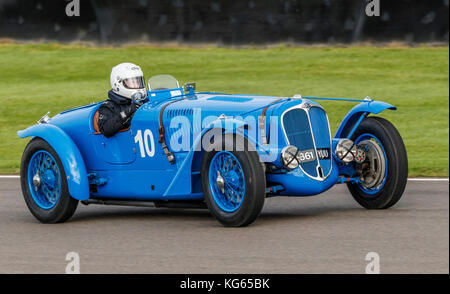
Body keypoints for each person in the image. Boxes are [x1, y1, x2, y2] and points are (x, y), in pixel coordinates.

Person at [98, 63, 148, 138]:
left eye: (138, 81)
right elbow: (105, 129)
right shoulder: (108, 107)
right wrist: (129, 110)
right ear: (118, 84)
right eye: (132, 82)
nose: (137, 86)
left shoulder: (145, 100)